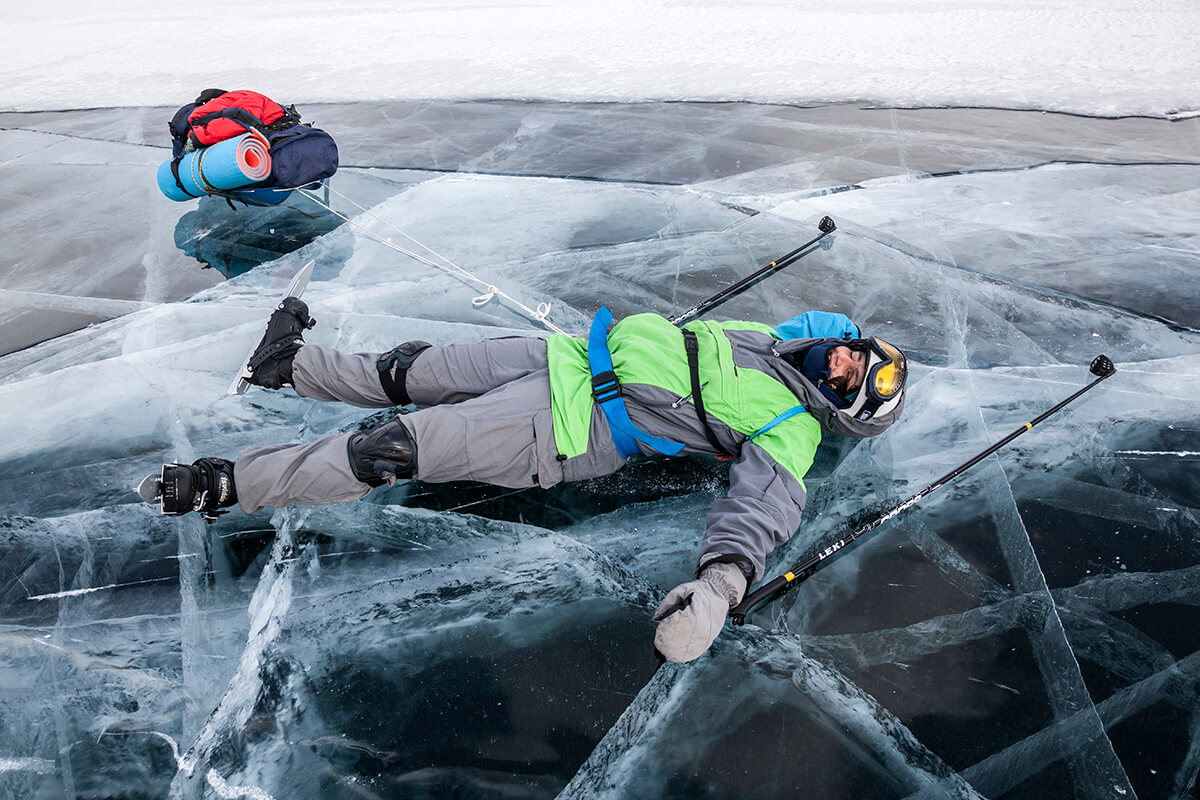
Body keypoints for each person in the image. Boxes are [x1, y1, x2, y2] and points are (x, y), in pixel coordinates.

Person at [145, 299, 907, 663]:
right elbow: (819, 321)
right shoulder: (778, 344)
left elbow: (758, 515)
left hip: (567, 426)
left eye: (851, 377)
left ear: (841, 410)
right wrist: (825, 331)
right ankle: (288, 364)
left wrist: (715, 594)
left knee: (392, 449)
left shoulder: (791, 430)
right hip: (565, 357)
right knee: (416, 371)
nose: (842, 363)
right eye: (855, 352)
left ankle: (225, 486)